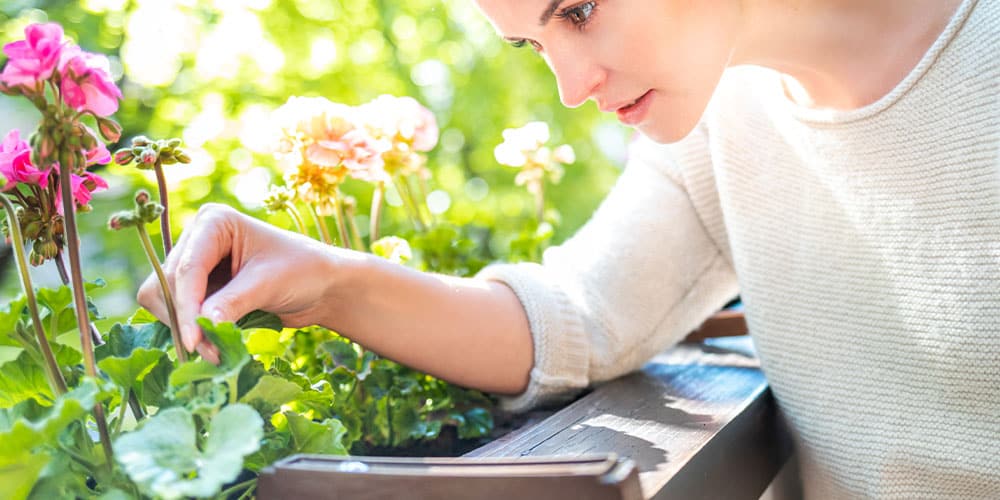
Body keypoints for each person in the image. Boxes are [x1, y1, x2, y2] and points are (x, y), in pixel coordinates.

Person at [140, 0, 999, 497]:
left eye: (579, 10)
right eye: (534, 43)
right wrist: (323, 280)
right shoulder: (718, 123)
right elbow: (579, 315)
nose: (572, 85)